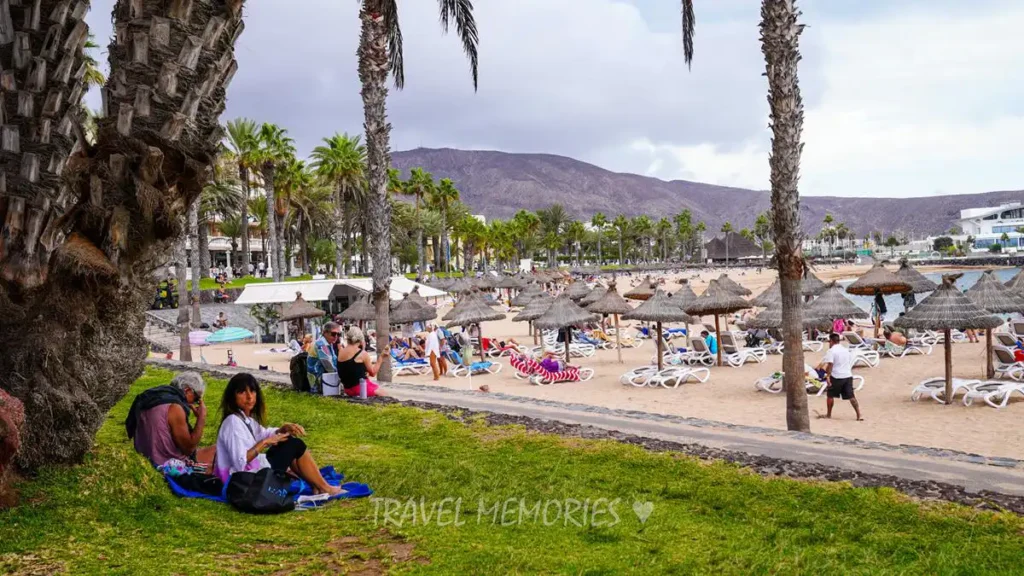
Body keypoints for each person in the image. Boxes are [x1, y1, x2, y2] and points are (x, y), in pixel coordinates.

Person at [214, 373, 341, 495]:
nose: (249, 397)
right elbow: (240, 462)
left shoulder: (243, 419)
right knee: (295, 444)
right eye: (242, 392)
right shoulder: (232, 423)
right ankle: (323, 487)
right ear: (233, 396)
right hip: (243, 481)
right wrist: (265, 443)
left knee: (289, 441)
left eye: (252, 391)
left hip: (250, 475)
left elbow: (263, 433)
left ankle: (317, 486)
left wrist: (282, 430)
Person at [126, 372, 215, 467]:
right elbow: (189, 449)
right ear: (188, 390)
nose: (193, 404)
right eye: (196, 399)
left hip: (146, 460)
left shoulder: (151, 397)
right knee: (219, 452)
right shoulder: (174, 408)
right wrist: (201, 418)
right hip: (168, 465)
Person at [816, 333, 863, 421]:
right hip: (847, 375)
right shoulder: (845, 350)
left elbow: (830, 364)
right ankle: (858, 414)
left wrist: (828, 376)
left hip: (836, 376)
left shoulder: (831, 351)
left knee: (830, 395)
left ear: (831, 341)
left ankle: (829, 414)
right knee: (851, 396)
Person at [336, 327, 388, 397]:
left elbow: (350, 368)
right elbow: (373, 373)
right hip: (360, 388)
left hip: (347, 389)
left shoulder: (341, 351)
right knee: (384, 394)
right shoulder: (362, 354)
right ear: (361, 339)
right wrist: (381, 357)